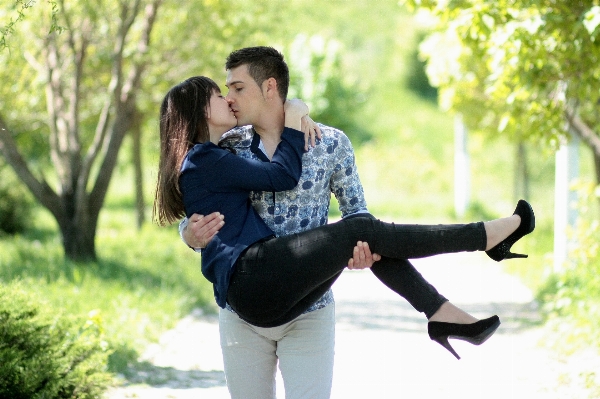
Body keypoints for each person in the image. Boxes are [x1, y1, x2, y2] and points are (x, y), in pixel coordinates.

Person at [154, 73, 535, 355]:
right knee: (359, 228)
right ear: (200, 111)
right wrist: (293, 120)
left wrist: (297, 118)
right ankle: (483, 238)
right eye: (220, 95)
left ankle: (440, 311)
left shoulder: (213, 156)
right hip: (254, 278)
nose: (229, 100)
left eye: (234, 91)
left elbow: (202, 210)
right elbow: (283, 175)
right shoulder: (206, 157)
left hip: (269, 292)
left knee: (362, 230)